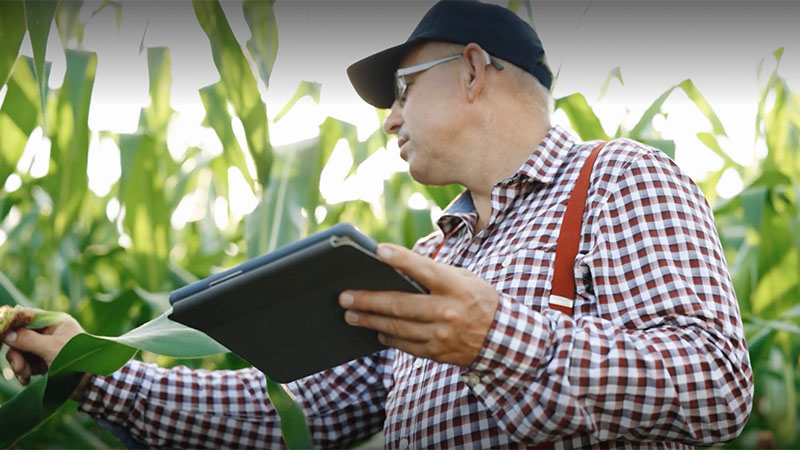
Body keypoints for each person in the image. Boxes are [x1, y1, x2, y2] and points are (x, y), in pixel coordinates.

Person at [3, 1, 753, 448]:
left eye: (398, 91)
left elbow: (716, 384)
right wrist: (94, 370)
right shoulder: (432, 255)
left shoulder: (620, 176)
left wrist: (496, 339)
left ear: (471, 71)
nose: (388, 120)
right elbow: (304, 418)